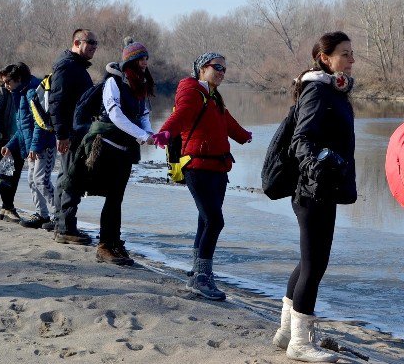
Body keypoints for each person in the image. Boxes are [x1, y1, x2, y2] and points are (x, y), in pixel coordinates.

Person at [273, 31, 357, 363]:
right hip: (313, 190)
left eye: (352, 54)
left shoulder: (332, 91)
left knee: (310, 261)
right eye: (345, 54)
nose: (351, 60)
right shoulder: (317, 91)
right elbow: (301, 139)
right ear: (325, 58)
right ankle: (300, 343)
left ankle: (284, 333)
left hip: (323, 189)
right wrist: (316, 164)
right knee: (315, 264)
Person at [153, 52, 252, 301]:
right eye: (217, 67)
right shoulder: (192, 91)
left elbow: (227, 122)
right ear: (201, 68)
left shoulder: (213, 96)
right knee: (214, 221)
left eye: (224, 69)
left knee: (204, 221)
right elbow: (182, 113)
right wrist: (165, 132)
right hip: (196, 167)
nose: (221, 72)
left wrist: (243, 135)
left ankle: (197, 273)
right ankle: (202, 277)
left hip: (218, 168)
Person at [67, 38, 156, 265]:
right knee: (104, 195)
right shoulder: (113, 83)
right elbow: (115, 115)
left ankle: (112, 242)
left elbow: (143, 115)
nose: (145, 63)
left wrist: (150, 134)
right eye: (140, 59)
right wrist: (143, 135)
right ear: (130, 61)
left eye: (146, 58)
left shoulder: (141, 85)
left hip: (124, 151)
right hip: (104, 147)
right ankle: (104, 245)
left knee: (116, 198)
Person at [48, 28, 97, 244]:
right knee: (71, 178)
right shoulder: (67, 66)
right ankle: (66, 228)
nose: (94, 47)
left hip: (76, 131)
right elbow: (56, 103)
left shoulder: (75, 66)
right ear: (77, 42)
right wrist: (62, 134)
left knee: (66, 176)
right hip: (71, 133)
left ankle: (61, 223)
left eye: (96, 43)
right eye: (91, 42)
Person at [0, 63, 57, 230]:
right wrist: (10, 145)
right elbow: (24, 127)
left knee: (41, 180)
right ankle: (41, 215)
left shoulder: (33, 92)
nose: (6, 85)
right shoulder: (20, 93)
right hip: (32, 147)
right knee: (32, 180)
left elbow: (41, 124)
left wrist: (35, 147)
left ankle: (59, 216)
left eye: (7, 81)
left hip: (44, 145)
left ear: (18, 79)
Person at [0, 66, 23, 223]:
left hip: (19, 139)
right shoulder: (0, 91)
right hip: (3, 138)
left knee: (15, 175)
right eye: (4, 80)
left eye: (8, 79)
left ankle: (6, 207)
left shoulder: (22, 91)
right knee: (6, 174)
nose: (6, 82)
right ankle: (8, 207)